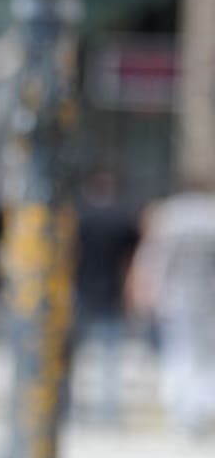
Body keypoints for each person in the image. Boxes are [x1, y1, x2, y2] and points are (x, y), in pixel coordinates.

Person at [127, 182, 215, 438]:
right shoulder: (207, 216)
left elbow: (153, 261)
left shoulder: (169, 217)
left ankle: (184, 412)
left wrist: (145, 293)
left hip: (175, 299)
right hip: (205, 300)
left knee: (179, 353)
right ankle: (198, 411)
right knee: (203, 356)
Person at [68, 168, 140, 425]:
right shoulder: (122, 219)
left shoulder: (80, 218)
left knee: (72, 356)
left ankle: (68, 409)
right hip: (112, 291)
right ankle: (109, 413)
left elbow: (69, 254)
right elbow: (133, 259)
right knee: (110, 358)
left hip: (81, 290)